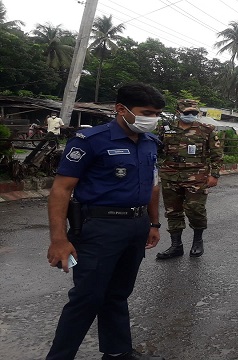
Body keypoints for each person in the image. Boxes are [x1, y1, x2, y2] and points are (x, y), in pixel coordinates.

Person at [45, 84, 165, 360]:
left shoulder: (149, 143)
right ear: (120, 109)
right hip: (100, 228)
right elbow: (61, 190)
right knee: (87, 298)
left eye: (157, 114)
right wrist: (59, 239)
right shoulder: (90, 141)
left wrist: (153, 223)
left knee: (118, 293)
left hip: (136, 225)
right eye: (146, 113)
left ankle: (117, 351)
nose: (153, 119)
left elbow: (153, 186)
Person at [155, 99, 223, 260]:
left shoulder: (206, 130)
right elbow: (156, 150)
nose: (191, 115)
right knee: (173, 211)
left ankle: (197, 241)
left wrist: (214, 175)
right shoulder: (166, 129)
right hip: (170, 176)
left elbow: (217, 155)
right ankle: (176, 245)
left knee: (195, 210)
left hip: (196, 177)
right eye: (187, 113)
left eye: (194, 112)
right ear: (178, 113)